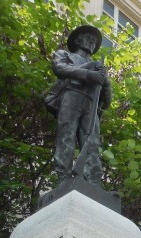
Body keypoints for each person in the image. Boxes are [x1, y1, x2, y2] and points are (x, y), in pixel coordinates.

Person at [46, 25, 112, 186]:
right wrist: (90, 74)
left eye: (94, 41)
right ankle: (64, 178)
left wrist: (106, 83)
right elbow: (59, 68)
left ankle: (94, 182)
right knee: (66, 137)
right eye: (88, 37)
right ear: (77, 40)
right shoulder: (65, 55)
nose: (92, 42)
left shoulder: (98, 66)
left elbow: (107, 99)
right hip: (71, 95)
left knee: (92, 143)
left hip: (91, 103)